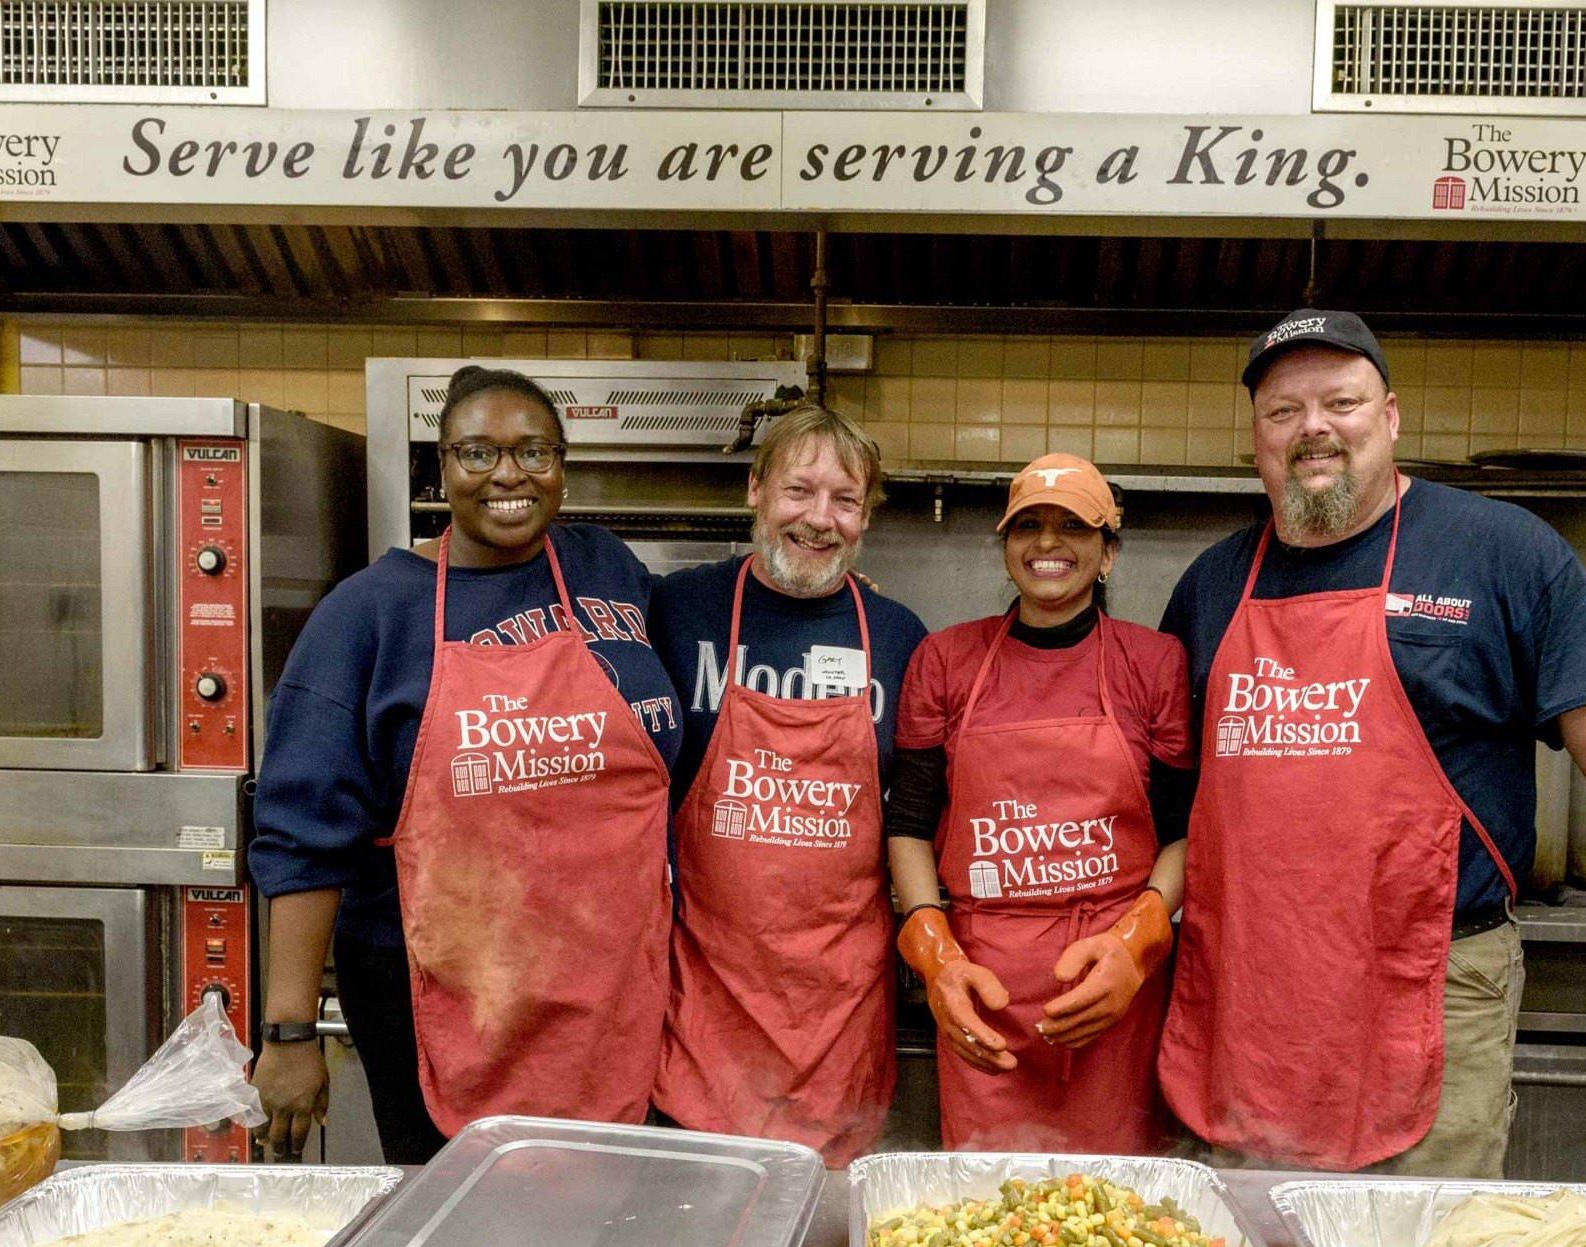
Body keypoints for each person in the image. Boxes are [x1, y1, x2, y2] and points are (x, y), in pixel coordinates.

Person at [1158, 310, 1586, 1176]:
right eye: (1283, 411)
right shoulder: (1212, 585)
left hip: (1430, 985)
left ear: (1390, 417)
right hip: (1251, 989)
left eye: (1340, 402)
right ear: (1257, 439)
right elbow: (1176, 796)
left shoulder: (1500, 553)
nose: (1313, 427)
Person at [249, 365, 681, 1164]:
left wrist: (781, 599)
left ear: (562, 466)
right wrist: (289, 1033)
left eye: (532, 452)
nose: (508, 475)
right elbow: (302, 840)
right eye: (477, 453)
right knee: (459, 1239)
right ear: (440, 469)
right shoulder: (369, 614)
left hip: (606, 985)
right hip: (440, 994)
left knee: (601, 1226)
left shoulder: (604, 568)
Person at [886, 454, 1196, 1153]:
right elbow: (907, 824)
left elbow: (1184, 830)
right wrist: (937, 958)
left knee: (1118, 1221)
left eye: (1074, 528)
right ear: (1005, 547)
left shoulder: (1154, 664)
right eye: (1028, 525)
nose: (1048, 544)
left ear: (1108, 551)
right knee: (986, 1221)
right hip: (983, 987)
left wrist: (1135, 940)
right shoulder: (945, 660)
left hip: (1113, 990)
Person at [649, 405, 927, 1167]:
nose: (819, 519)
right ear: (754, 490)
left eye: (845, 500)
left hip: (838, 1012)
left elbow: (919, 813)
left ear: (866, 517)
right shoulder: (675, 610)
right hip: (704, 1007)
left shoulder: (901, 636)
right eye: (799, 491)